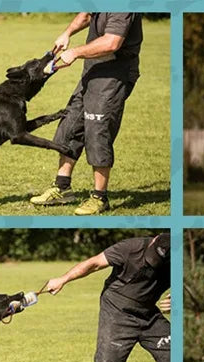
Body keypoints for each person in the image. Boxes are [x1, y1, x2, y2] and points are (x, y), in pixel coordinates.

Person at [45, 233, 171, 362]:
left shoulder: (176, 260)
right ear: (153, 240)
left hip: (148, 313)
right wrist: (63, 279)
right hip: (117, 308)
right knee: (108, 359)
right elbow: (94, 263)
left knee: (173, 354)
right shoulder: (131, 247)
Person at [30, 13, 143, 215]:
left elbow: (112, 42)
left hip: (114, 74)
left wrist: (75, 52)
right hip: (93, 70)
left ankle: (100, 197)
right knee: (70, 124)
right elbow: (86, 14)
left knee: (98, 132)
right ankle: (62, 187)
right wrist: (67, 33)